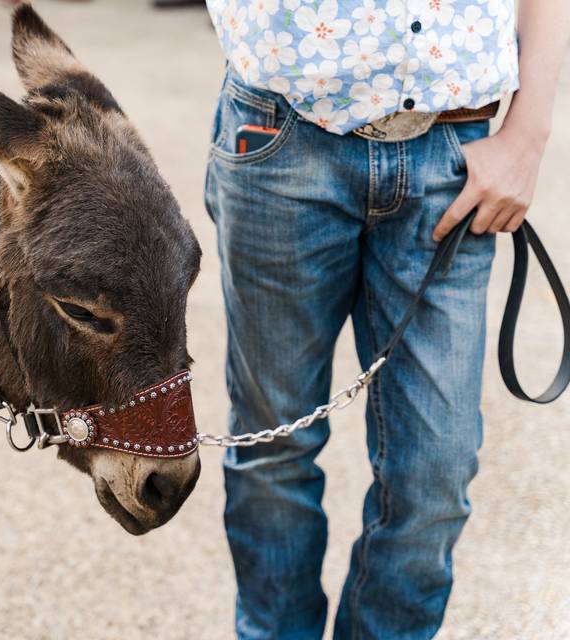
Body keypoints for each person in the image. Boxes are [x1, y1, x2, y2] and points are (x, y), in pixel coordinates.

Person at [203, 1, 570, 638]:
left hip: (452, 158)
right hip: (279, 136)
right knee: (274, 446)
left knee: (436, 473)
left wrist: (527, 137)